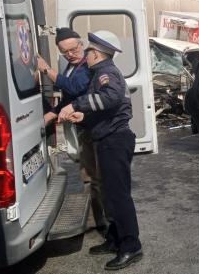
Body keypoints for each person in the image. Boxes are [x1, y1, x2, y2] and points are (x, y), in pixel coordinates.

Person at [59, 31, 142, 270]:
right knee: (111, 194)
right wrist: (83, 114)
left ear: (95, 53)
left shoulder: (106, 73)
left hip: (115, 141)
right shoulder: (100, 72)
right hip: (108, 139)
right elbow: (105, 107)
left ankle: (131, 246)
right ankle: (115, 239)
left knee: (119, 196)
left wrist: (76, 104)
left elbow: (111, 98)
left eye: (87, 52)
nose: (85, 55)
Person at [36, 28, 107, 232]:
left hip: (95, 128)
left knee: (98, 177)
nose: (71, 54)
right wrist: (52, 114)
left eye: (73, 49)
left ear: (81, 45)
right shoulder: (70, 66)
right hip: (83, 129)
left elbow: (76, 88)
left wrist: (47, 70)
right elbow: (69, 97)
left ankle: (105, 221)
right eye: (65, 52)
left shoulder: (88, 66)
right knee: (87, 175)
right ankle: (96, 218)